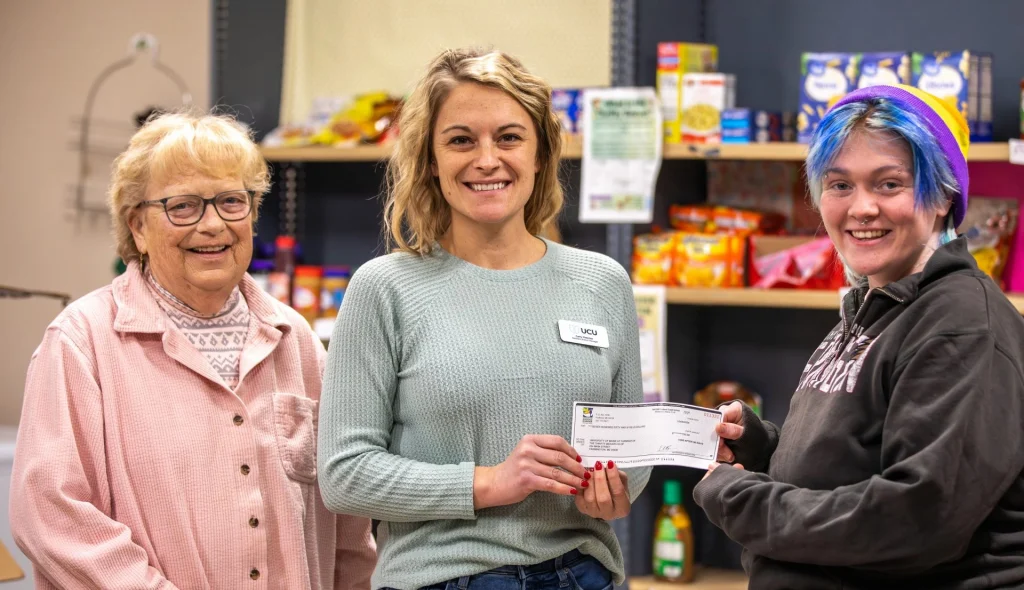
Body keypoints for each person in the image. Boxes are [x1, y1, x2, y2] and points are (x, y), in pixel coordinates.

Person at [317, 47, 650, 590]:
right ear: (430, 160)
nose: (487, 159)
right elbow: (344, 474)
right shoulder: (384, 289)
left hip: (584, 574)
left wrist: (614, 489)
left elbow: (629, 454)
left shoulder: (602, 282)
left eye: (509, 137)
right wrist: (487, 482)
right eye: (461, 140)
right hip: (443, 577)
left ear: (541, 154)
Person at [10, 111, 377, 589]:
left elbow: (346, 526)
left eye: (231, 201)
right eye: (183, 206)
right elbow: (51, 516)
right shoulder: (81, 343)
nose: (212, 225)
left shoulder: (296, 339)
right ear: (137, 226)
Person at [694, 83, 1024, 589]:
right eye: (840, 185)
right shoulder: (875, 306)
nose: (861, 208)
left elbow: (915, 519)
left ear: (941, 195)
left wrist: (744, 500)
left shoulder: (961, 325)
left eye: (889, 184)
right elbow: (855, 464)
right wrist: (760, 451)